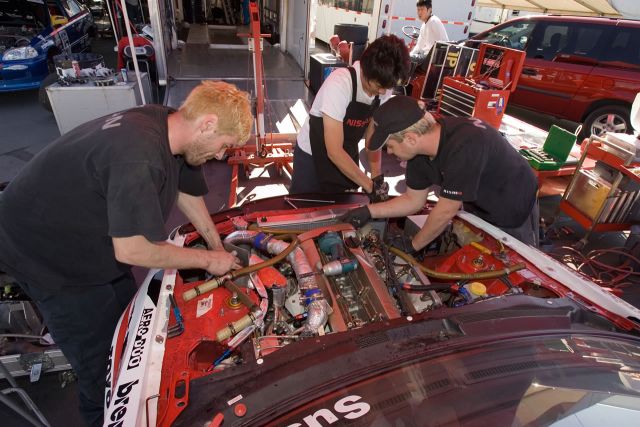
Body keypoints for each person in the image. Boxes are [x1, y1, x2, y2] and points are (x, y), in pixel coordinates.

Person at [0, 81, 252, 426]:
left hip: (89, 236)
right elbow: (134, 249)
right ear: (207, 124)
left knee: (130, 330)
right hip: (48, 255)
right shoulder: (140, 155)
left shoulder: (168, 125)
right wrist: (208, 260)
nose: (222, 156)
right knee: (103, 370)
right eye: (224, 145)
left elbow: (186, 191)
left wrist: (216, 246)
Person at [342, 96, 539, 249]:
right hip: (477, 201)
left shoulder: (465, 145)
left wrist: (414, 245)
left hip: (512, 203)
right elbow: (413, 200)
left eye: (390, 146)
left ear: (410, 139)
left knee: (510, 263)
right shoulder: (418, 154)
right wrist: (369, 211)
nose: (390, 153)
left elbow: (446, 210)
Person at [290, 34, 410, 201]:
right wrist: (369, 187)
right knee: (302, 208)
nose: (383, 92)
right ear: (366, 70)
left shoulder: (383, 85)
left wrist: (377, 178)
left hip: (346, 155)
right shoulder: (339, 84)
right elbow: (334, 151)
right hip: (312, 157)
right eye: (379, 86)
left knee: (343, 209)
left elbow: (372, 140)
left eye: (387, 87)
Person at [410, 1, 448, 68]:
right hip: (427, 56)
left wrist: (409, 56)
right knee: (406, 58)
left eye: (422, 9)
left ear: (429, 10)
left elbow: (444, 42)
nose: (419, 12)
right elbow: (419, 45)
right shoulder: (423, 25)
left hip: (433, 59)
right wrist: (410, 54)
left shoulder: (434, 21)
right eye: (418, 10)